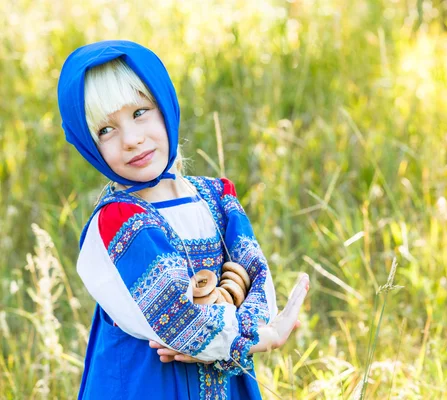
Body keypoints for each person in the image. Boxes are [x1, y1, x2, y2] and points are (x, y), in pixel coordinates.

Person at [57, 40, 309, 400]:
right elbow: (181, 326)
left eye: (140, 112)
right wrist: (261, 338)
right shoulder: (116, 224)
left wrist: (239, 330)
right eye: (105, 130)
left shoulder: (217, 199)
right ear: (88, 145)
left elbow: (257, 284)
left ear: (165, 105)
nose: (132, 139)